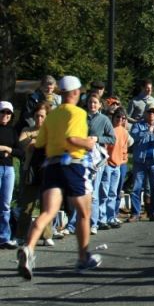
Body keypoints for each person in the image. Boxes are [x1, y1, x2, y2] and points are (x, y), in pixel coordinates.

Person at [18, 76, 101, 280]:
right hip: (72, 164)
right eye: (79, 91)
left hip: (52, 165)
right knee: (84, 213)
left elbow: (40, 144)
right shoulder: (78, 112)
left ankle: (28, 248)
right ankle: (83, 258)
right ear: (74, 92)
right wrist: (89, 143)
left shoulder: (52, 115)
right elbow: (72, 139)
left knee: (48, 211)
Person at [15, 103, 55, 245]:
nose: (39, 119)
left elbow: (52, 144)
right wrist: (38, 141)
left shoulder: (51, 130)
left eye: (42, 116)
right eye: (37, 116)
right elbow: (22, 143)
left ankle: (47, 235)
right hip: (30, 171)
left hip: (47, 170)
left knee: (47, 205)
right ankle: (20, 235)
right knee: (27, 205)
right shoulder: (27, 129)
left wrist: (34, 141)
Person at [129, 103, 154, 222]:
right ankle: (135, 213)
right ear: (145, 113)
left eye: (153, 112)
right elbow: (133, 138)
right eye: (149, 112)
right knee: (136, 188)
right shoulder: (137, 125)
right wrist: (147, 131)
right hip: (140, 161)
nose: (151, 114)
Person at [85, 94, 115, 234]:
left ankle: (94, 223)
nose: (92, 105)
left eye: (95, 102)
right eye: (90, 102)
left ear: (100, 105)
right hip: (82, 157)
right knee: (80, 192)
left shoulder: (104, 120)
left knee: (94, 192)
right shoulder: (82, 118)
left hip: (97, 159)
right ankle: (74, 224)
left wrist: (97, 138)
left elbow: (112, 138)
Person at [0, 101, 23, 249]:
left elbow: (21, 152)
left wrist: (7, 148)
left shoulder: (12, 131)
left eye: (8, 113)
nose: (5, 115)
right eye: (3, 112)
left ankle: (4, 237)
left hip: (8, 169)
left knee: (5, 204)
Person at [104, 109, 128, 228]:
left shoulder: (124, 132)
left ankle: (111, 216)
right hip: (107, 164)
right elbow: (105, 148)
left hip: (118, 165)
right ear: (113, 118)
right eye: (118, 117)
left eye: (123, 118)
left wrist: (123, 160)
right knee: (104, 193)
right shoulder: (109, 130)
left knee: (113, 193)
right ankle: (102, 218)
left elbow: (124, 149)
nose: (120, 120)